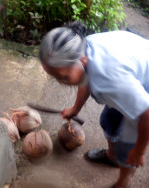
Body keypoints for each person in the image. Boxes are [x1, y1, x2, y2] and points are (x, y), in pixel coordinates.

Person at [39, 21, 149, 188]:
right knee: (108, 121)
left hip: (143, 90)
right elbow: (84, 79)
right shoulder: (81, 47)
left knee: (127, 148)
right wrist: (75, 109)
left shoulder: (109, 81)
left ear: (82, 61)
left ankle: (122, 182)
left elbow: (146, 113)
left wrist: (139, 151)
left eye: (63, 77)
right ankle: (113, 157)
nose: (60, 82)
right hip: (134, 72)